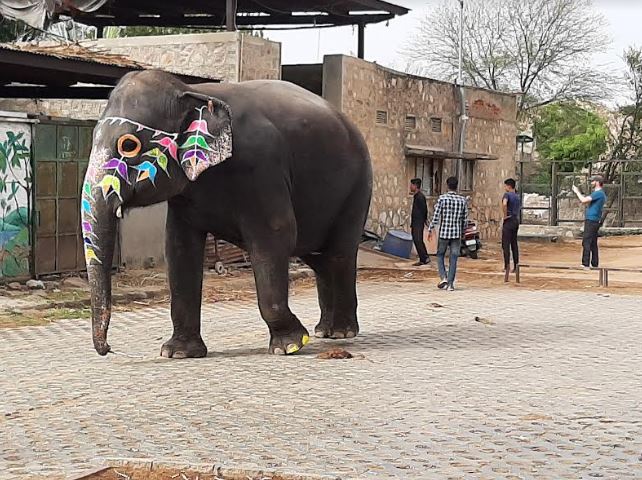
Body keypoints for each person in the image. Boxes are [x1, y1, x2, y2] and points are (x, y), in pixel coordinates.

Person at [428, 176, 468, 291]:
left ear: (447, 185)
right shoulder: (462, 200)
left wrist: (430, 229)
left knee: (440, 255)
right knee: (454, 258)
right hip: (456, 234)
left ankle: (443, 277)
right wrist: (463, 232)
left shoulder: (442, 199)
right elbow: (465, 219)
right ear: (457, 186)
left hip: (444, 233)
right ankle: (450, 284)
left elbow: (436, 216)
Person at [572, 175, 607, 269]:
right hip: (594, 219)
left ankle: (585, 263)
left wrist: (577, 192)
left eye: (593, 181)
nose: (591, 183)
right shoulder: (599, 194)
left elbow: (583, 200)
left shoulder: (598, 193)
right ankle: (594, 263)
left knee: (586, 241)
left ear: (597, 182)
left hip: (592, 220)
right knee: (593, 242)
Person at [501, 178, 521, 280]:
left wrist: (505, 215)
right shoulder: (517, 197)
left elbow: (504, 203)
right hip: (515, 220)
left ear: (509, 186)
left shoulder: (507, 195)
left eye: (505, 186)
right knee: (514, 244)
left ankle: (507, 265)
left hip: (508, 220)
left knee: (506, 244)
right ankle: (516, 265)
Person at [409, 178, 430, 266]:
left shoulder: (420, 197)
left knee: (418, 239)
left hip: (419, 222)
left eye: (411, 185)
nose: (410, 187)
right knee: (416, 239)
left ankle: (424, 258)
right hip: (415, 222)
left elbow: (424, 209)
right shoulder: (416, 196)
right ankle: (423, 258)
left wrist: (424, 220)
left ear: (415, 186)